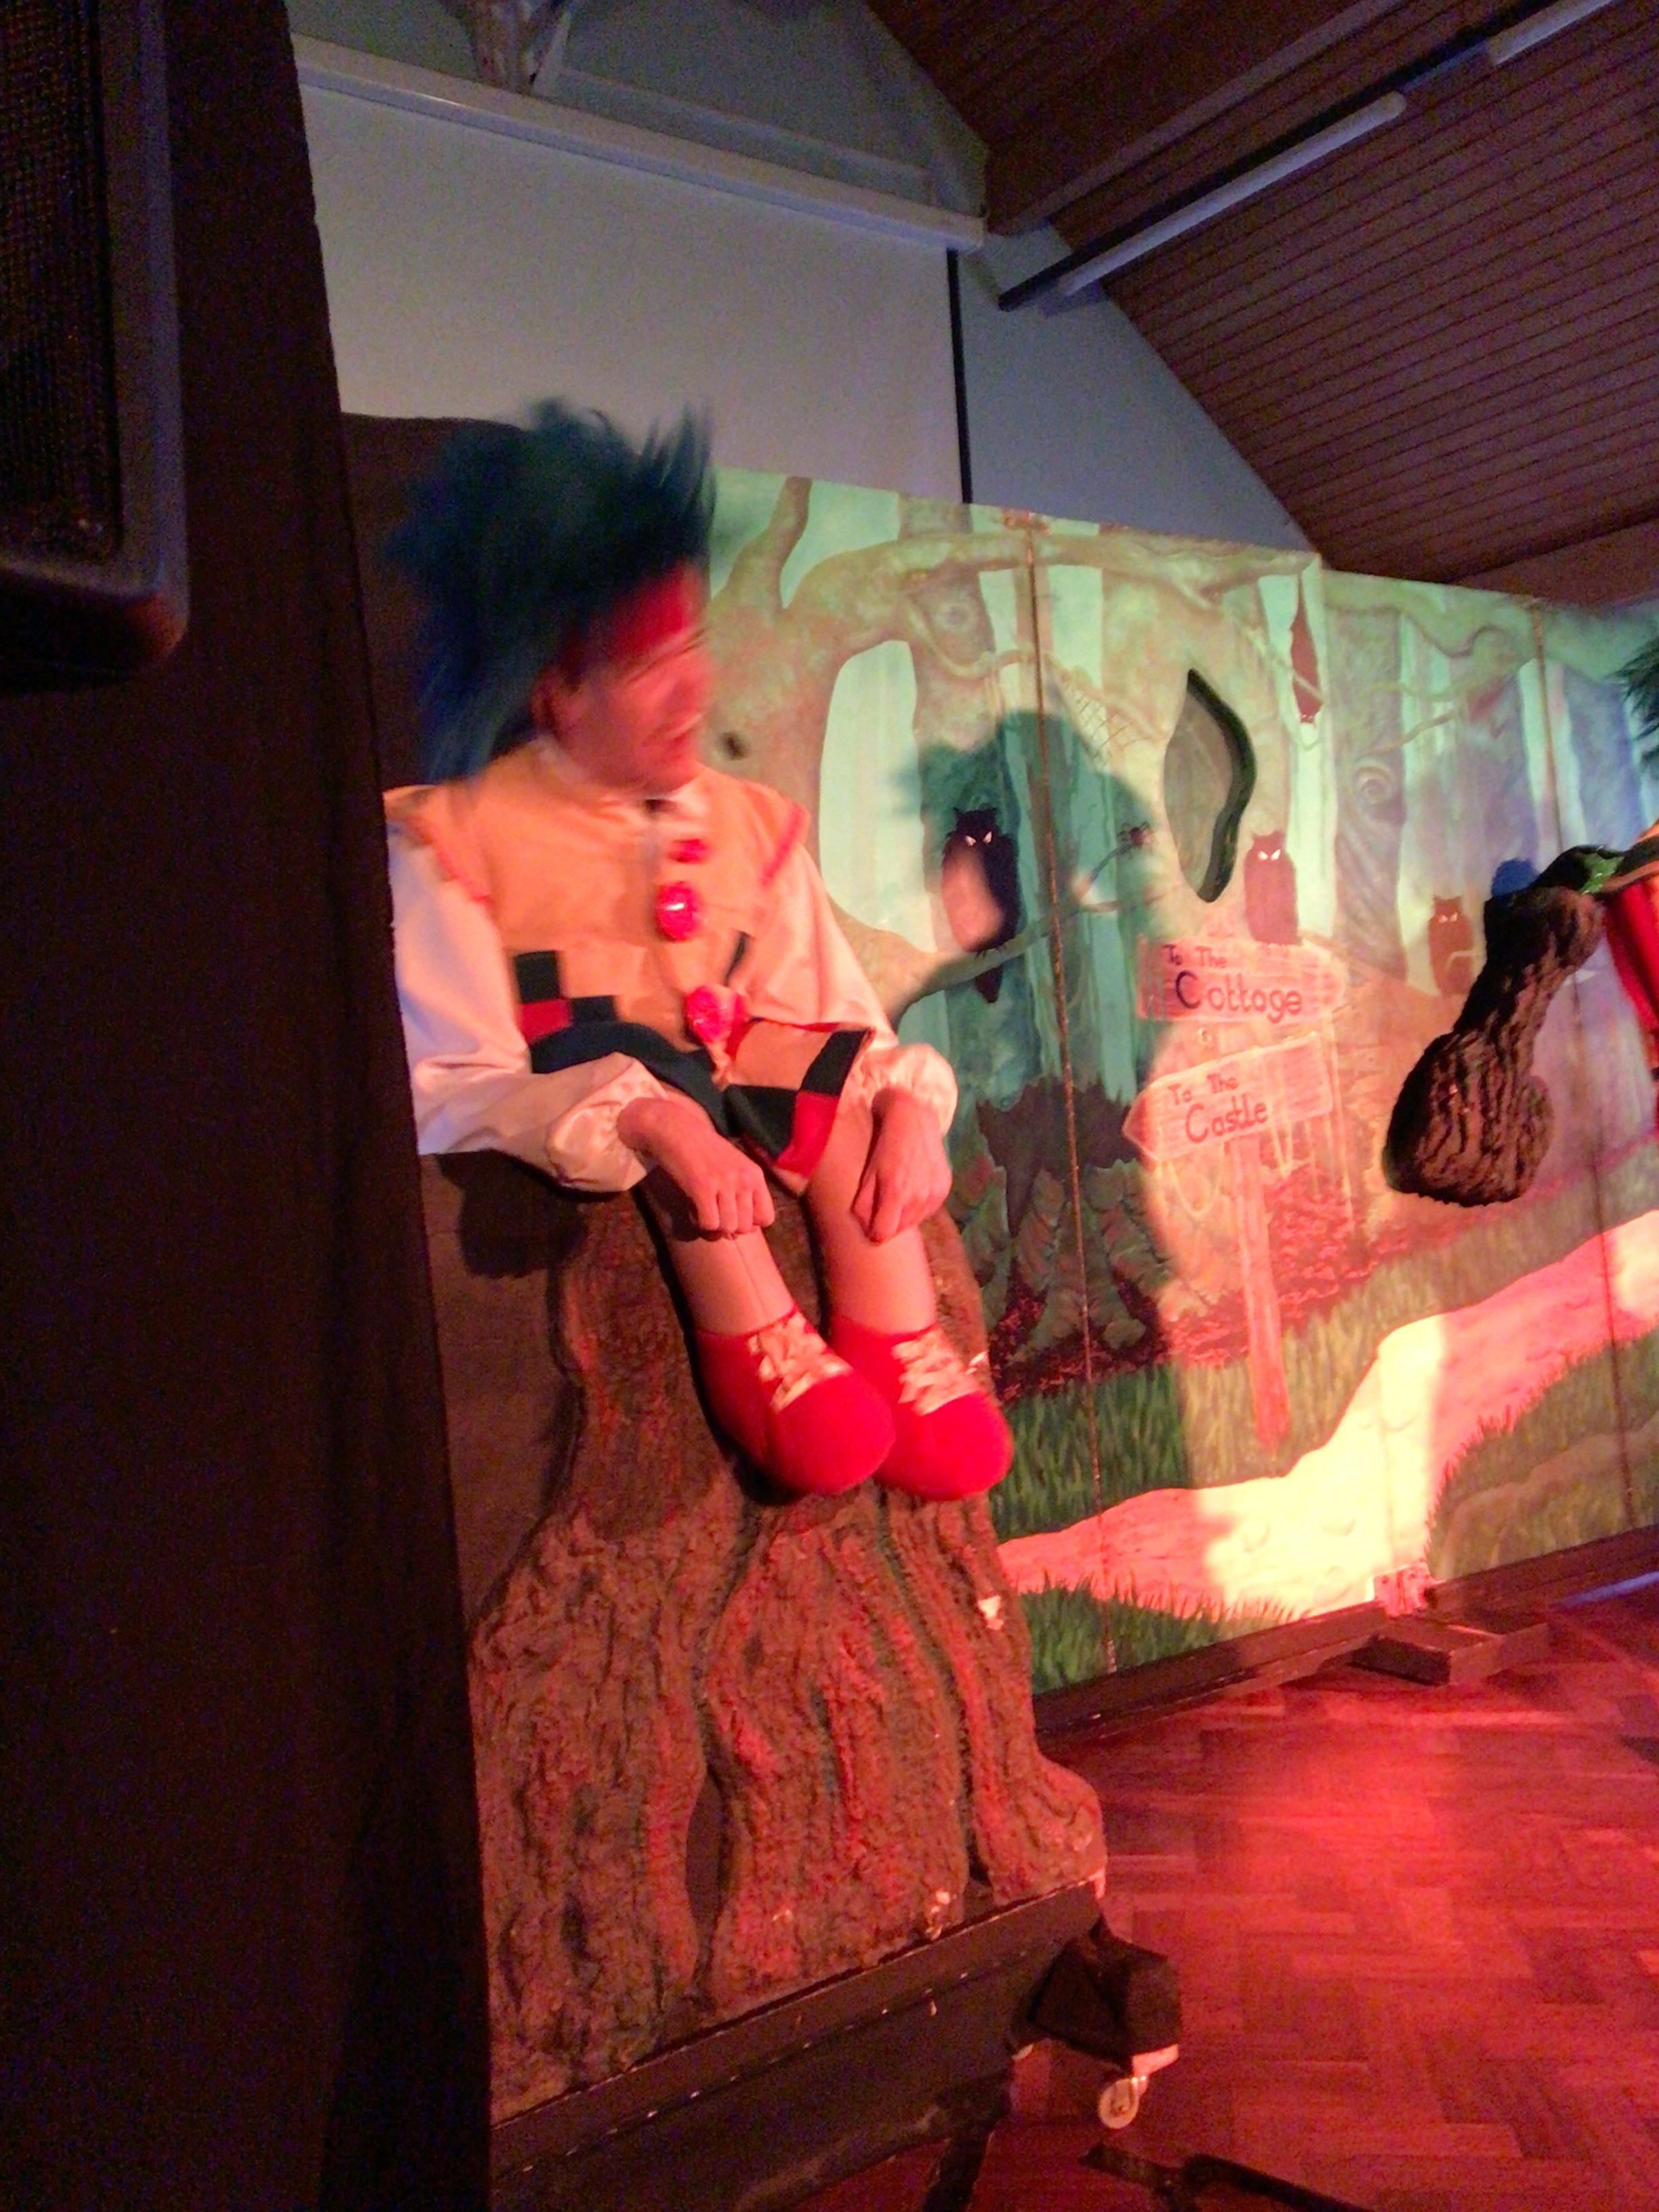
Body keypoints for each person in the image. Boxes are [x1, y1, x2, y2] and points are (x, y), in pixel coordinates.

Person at [384, 403, 1012, 1502]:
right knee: (658, 1071)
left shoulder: (744, 826)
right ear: (555, 691)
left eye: (691, 649)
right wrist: (649, 1118)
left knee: (831, 1083)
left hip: (738, 1079)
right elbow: (448, 1083)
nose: (692, 693)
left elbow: (831, 1013)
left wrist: (908, 1107)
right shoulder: (457, 846)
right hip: (621, 1104)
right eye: (644, 667)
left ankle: (897, 1335)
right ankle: (760, 1343)